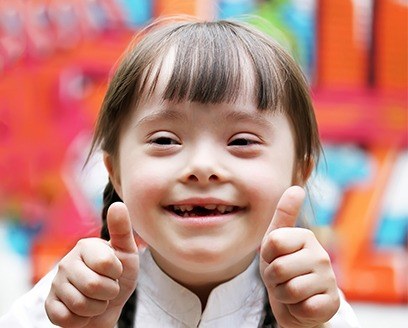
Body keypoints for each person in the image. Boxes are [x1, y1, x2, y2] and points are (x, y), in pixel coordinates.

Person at [0, 17, 361, 328]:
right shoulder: (64, 305)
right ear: (116, 173)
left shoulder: (320, 313)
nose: (202, 167)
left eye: (241, 141)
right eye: (164, 139)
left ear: (299, 172)